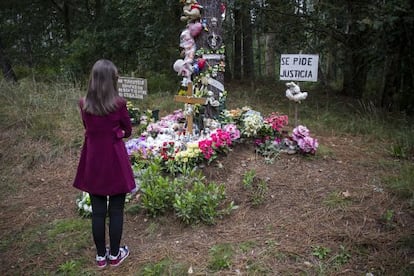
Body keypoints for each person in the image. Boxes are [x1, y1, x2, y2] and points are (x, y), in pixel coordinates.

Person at [73, 59, 136, 268]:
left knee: (98, 211)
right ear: (111, 80)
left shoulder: (84, 104)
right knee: (116, 210)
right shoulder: (119, 104)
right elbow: (128, 130)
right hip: (115, 160)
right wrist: (117, 132)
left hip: (93, 160)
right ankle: (116, 255)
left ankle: (101, 257)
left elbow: (88, 128)